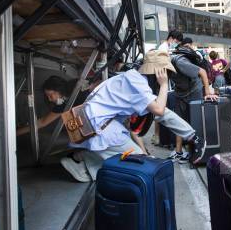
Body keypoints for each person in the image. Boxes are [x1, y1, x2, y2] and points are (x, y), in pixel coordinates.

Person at [57, 50, 206, 181]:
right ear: (159, 72)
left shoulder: (131, 77)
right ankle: (82, 165)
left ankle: (78, 158)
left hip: (90, 123)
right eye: (166, 73)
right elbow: (160, 111)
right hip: (99, 126)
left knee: (117, 151)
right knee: (137, 160)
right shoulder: (138, 84)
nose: (168, 76)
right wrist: (164, 85)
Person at [169, 38, 217, 162]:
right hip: (180, 92)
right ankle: (179, 152)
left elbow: (202, 72)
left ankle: (197, 152)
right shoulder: (166, 65)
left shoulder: (179, 62)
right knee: (178, 121)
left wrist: (207, 91)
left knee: (195, 121)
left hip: (193, 91)